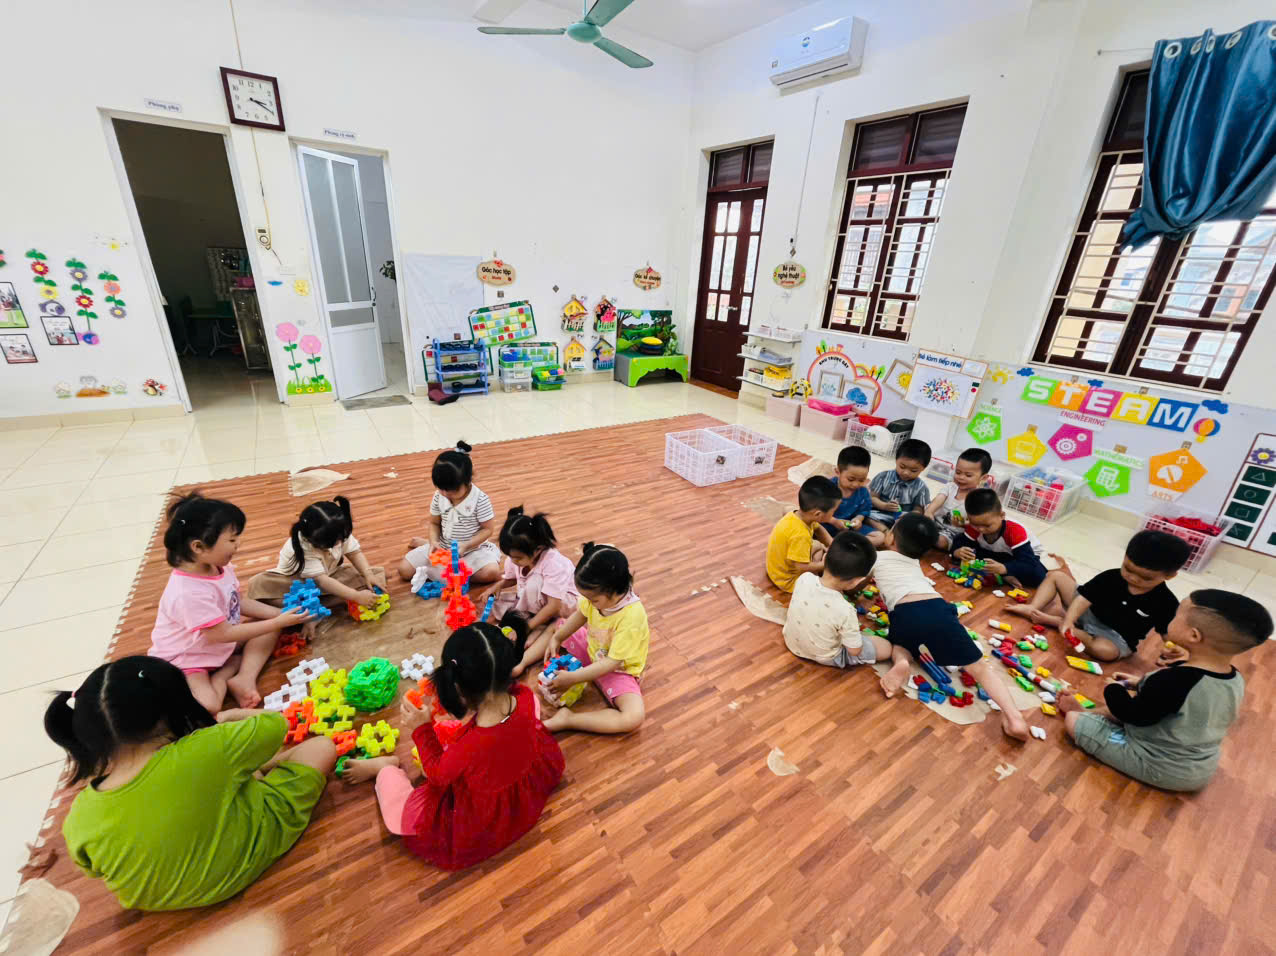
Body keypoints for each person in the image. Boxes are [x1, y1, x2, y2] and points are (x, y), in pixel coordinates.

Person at [49, 656, 335, 910]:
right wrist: (229, 717)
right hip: (242, 861)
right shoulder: (209, 745)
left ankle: (249, 771)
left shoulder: (79, 817)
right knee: (321, 747)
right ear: (175, 706)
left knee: (225, 772)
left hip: (155, 900)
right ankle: (253, 772)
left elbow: (92, 869)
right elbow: (277, 724)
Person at [339, 614, 564, 869]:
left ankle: (384, 768)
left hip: (481, 815)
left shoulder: (469, 748)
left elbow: (437, 775)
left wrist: (421, 729)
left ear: (458, 690)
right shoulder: (525, 696)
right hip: (520, 789)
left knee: (401, 811)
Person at [1059, 589, 1271, 791]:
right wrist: (1140, 683)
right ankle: (1090, 713)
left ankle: (1081, 714)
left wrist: (1113, 689)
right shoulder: (1234, 678)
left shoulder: (1173, 681)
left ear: (1194, 635)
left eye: (1177, 615)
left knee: (1075, 722)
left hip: (1160, 765)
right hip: (1199, 761)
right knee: (1119, 710)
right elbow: (1186, 700)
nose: (1171, 617)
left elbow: (1132, 715)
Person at [874, 513, 1031, 741]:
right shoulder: (915, 564)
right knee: (979, 668)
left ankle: (902, 662)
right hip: (937, 608)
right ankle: (1014, 717)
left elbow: (855, 574)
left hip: (904, 612)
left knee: (901, 645)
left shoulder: (878, 558)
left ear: (890, 538)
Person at [150, 493, 312, 712]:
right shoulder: (187, 592)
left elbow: (238, 603)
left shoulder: (219, 566)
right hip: (189, 660)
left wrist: (282, 616)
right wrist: (277, 622)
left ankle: (244, 677)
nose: (238, 544)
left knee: (269, 626)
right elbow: (222, 634)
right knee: (209, 707)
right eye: (232, 540)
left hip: (219, 644)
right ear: (198, 547)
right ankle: (224, 675)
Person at [1006, 529, 1189, 661]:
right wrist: (1070, 619)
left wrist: (1174, 648)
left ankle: (1058, 622)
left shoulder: (1166, 602)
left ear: (1169, 576)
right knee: (1056, 576)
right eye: (1128, 569)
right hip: (1088, 612)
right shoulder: (1111, 576)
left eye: (1145, 578)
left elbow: (1166, 632)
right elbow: (1084, 599)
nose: (1133, 578)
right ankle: (1034, 608)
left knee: (1106, 652)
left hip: (1114, 636)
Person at [540, 544, 648, 734]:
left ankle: (569, 720)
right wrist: (558, 637)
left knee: (633, 717)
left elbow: (612, 663)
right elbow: (580, 615)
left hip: (616, 669)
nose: (589, 603)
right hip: (592, 650)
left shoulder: (632, 617)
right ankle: (521, 663)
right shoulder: (598, 595)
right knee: (557, 626)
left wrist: (573, 678)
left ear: (614, 591)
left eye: (593, 600)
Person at [245, 496, 387, 632]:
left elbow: (354, 553)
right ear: (312, 540)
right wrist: (355, 596)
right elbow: (322, 581)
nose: (339, 543)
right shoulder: (305, 545)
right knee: (259, 585)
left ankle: (313, 607)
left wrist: (368, 574)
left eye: (341, 539)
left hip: (329, 576)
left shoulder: (339, 530)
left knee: (376, 578)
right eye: (333, 543)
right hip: (294, 583)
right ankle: (312, 609)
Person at [475, 507, 583, 677]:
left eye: (517, 558)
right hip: (540, 601)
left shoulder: (554, 564)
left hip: (564, 604)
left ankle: (539, 625)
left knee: (533, 587)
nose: (513, 561)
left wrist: (525, 628)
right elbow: (513, 577)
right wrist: (498, 586)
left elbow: (554, 606)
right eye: (510, 556)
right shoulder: (517, 558)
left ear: (538, 549)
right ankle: (538, 623)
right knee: (502, 602)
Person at [397, 441, 502, 588]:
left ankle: (450, 574)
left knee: (491, 572)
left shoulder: (480, 499)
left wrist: (467, 545)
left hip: (472, 551)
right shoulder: (439, 496)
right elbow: (434, 523)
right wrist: (434, 541)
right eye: (441, 489)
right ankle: (432, 551)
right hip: (443, 549)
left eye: (452, 490)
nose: (446, 494)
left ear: (467, 481)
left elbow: (488, 529)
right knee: (404, 570)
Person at [783, 531, 891, 670]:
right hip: (826, 656)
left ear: (825, 557)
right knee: (886, 648)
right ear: (857, 582)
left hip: (791, 641)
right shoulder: (845, 610)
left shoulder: (805, 578)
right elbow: (854, 651)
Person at [948, 488, 1048, 588]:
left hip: (1026, 555)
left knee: (1038, 577)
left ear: (1002, 516)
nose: (981, 529)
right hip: (996, 553)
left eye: (987, 525)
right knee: (969, 553)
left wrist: (1004, 568)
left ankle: (1004, 573)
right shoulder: (976, 525)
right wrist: (957, 552)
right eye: (975, 524)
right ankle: (1002, 573)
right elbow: (960, 542)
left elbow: (1028, 563)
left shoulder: (1014, 531)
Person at [766, 476, 840, 593]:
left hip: (775, 569)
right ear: (818, 514)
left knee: (818, 545)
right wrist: (824, 564)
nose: (834, 515)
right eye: (833, 511)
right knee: (828, 585)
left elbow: (818, 529)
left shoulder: (797, 515)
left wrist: (832, 544)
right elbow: (801, 567)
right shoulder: (801, 535)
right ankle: (817, 574)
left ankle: (816, 567)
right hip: (788, 581)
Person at [925, 447, 992, 549]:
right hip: (933, 521)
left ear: (983, 478)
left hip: (952, 532)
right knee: (911, 519)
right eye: (958, 472)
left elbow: (977, 523)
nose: (961, 477)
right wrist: (929, 512)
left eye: (968, 475)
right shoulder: (950, 487)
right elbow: (938, 499)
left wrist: (962, 523)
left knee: (940, 542)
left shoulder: (978, 500)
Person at [867, 438, 932, 533]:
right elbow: (872, 498)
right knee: (866, 515)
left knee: (918, 526)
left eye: (913, 470)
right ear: (896, 460)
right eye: (902, 467)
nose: (906, 473)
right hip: (879, 513)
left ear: (923, 469)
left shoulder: (921, 488)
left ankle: (894, 532)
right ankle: (886, 532)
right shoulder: (883, 477)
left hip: (903, 520)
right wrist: (884, 506)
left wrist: (908, 516)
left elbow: (919, 510)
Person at [822, 445, 878, 544]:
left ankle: (844, 543)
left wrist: (858, 519)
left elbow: (864, 510)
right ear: (838, 472)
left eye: (862, 480)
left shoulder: (863, 492)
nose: (856, 484)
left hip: (849, 529)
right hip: (826, 526)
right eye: (851, 479)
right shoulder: (827, 487)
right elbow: (816, 511)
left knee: (879, 536)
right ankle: (843, 544)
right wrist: (834, 521)